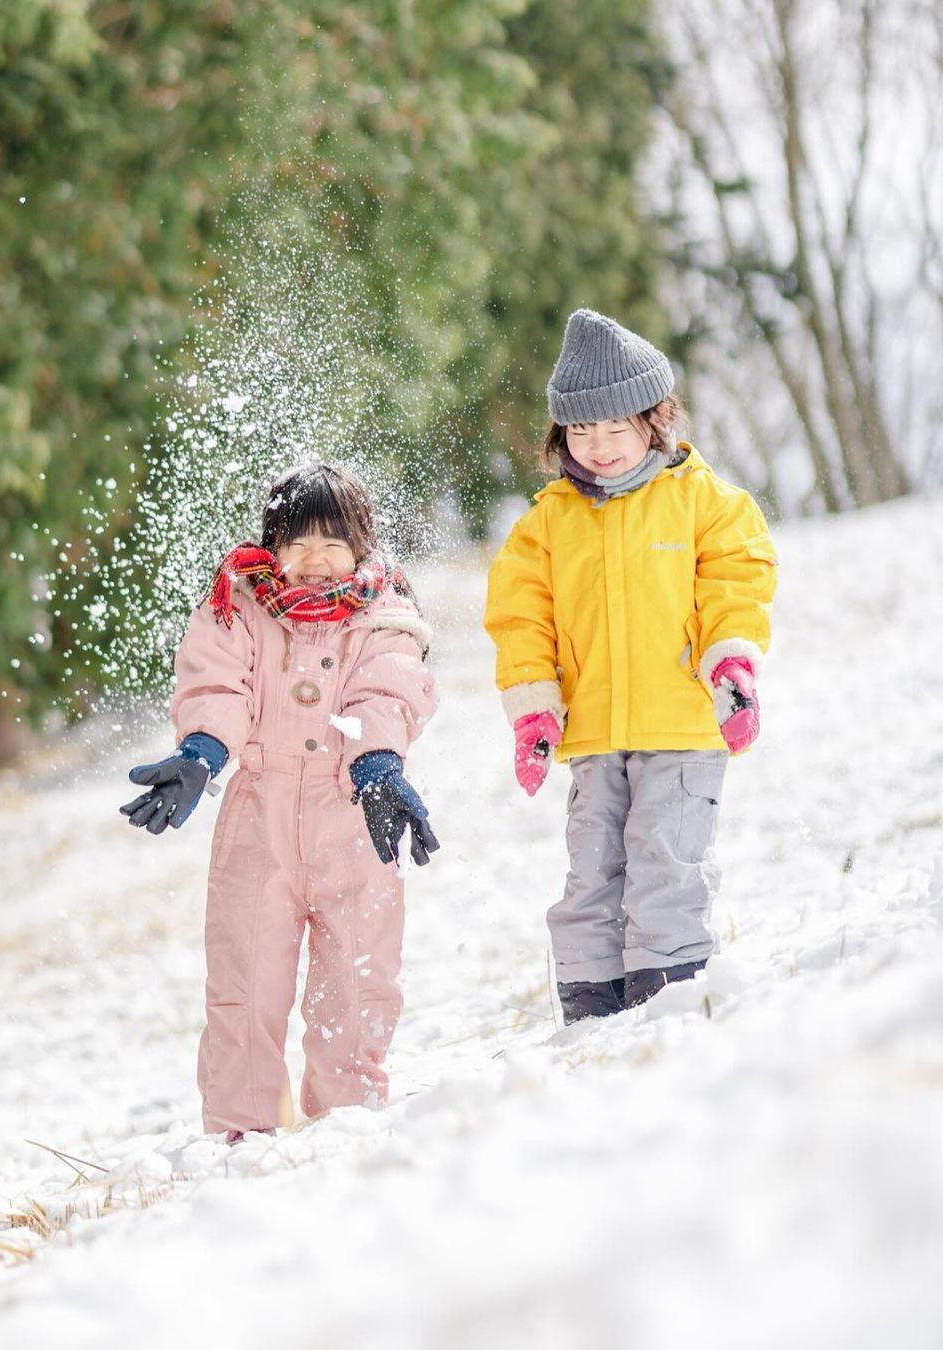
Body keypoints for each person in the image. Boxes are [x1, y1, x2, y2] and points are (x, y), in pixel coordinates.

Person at [121, 463, 439, 1140]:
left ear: (363, 544)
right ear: (272, 545)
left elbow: (387, 690)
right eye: (298, 543)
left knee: (358, 978)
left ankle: (347, 1117)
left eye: (333, 542)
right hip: (257, 824)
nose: (316, 559)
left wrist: (378, 762)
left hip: (355, 819)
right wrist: (202, 750)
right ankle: (241, 1129)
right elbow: (217, 683)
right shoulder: (237, 607)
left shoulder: (386, 616)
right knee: (245, 981)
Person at [484, 309, 777, 1022]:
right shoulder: (548, 522)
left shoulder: (703, 501)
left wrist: (730, 669)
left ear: (655, 419)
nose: (599, 446)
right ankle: (591, 1007)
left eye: (615, 428)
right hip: (593, 733)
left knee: (664, 861)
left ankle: (669, 997)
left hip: (681, 723)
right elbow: (521, 616)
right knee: (591, 871)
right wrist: (533, 710)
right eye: (581, 432)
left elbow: (736, 583)